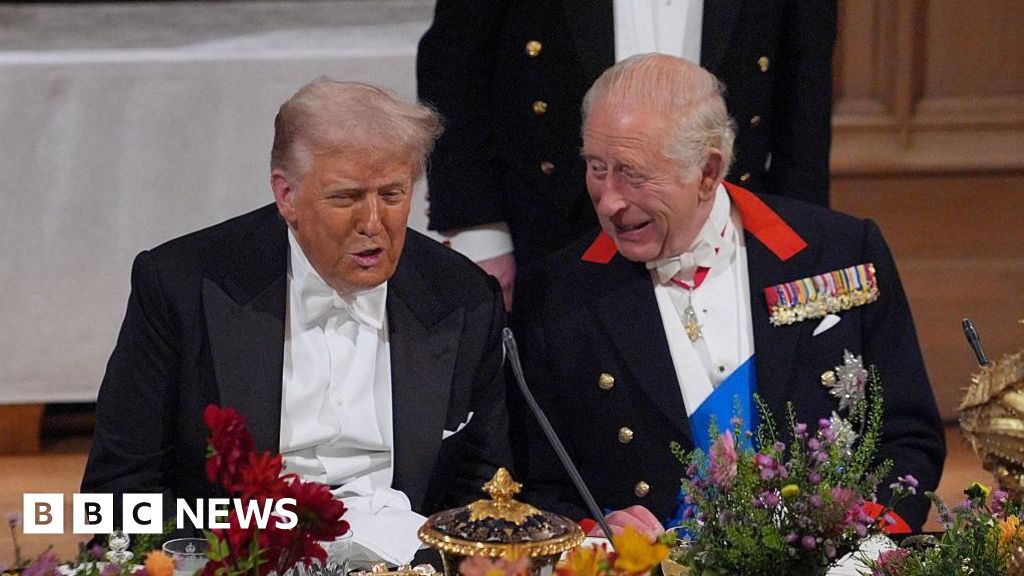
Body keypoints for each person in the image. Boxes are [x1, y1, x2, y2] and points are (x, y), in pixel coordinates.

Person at [82, 80, 512, 563]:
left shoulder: (463, 297)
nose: (373, 223)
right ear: (286, 194)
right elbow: (117, 492)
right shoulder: (181, 286)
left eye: (392, 194)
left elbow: (486, 488)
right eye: (346, 197)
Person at [510, 54, 944, 533]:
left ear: (709, 171)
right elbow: (539, 486)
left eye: (633, 174)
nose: (609, 200)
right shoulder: (555, 294)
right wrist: (597, 534)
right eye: (597, 168)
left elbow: (907, 437)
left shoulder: (839, 252)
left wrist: (860, 546)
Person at [417, 0, 836, 308]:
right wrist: (481, 235)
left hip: (727, 227)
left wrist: (795, 242)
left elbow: (806, 88)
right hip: (552, 230)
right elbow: (455, 62)